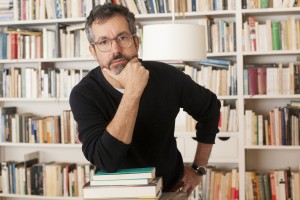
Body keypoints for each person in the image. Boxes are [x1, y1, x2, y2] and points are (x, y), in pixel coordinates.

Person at [69, 3, 220, 197]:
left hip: (170, 189)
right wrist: (133, 91)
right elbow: (107, 159)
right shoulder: (84, 94)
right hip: (114, 194)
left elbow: (210, 108)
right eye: (104, 42)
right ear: (93, 52)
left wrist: (198, 168)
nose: (115, 49)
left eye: (122, 38)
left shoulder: (167, 76)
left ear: (136, 42)